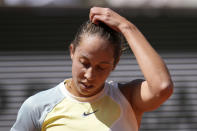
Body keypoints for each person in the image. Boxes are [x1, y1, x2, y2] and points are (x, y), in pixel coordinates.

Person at [11, 7, 173, 131]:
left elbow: (162, 87)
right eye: (85, 63)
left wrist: (127, 27)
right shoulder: (37, 107)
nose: (90, 75)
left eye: (101, 67)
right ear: (72, 51)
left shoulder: (127, 99)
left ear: (115, 64)